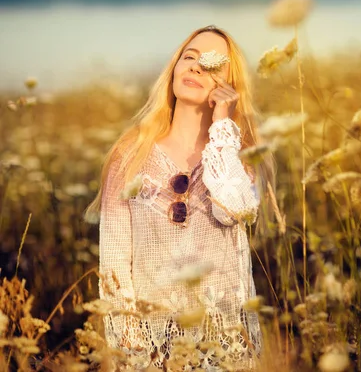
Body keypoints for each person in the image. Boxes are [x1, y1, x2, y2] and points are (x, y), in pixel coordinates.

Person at [85, 24, 274, 370]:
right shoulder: (130, 154)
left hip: (225, 347)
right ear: (174, 68)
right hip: (151, 346)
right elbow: (114, 261)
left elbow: (235, 209)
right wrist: (132, 349)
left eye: (213, 63)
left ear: (230, 86)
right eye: (189, 57)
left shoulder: (236, 154)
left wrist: (221, 126)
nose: (196, 67)